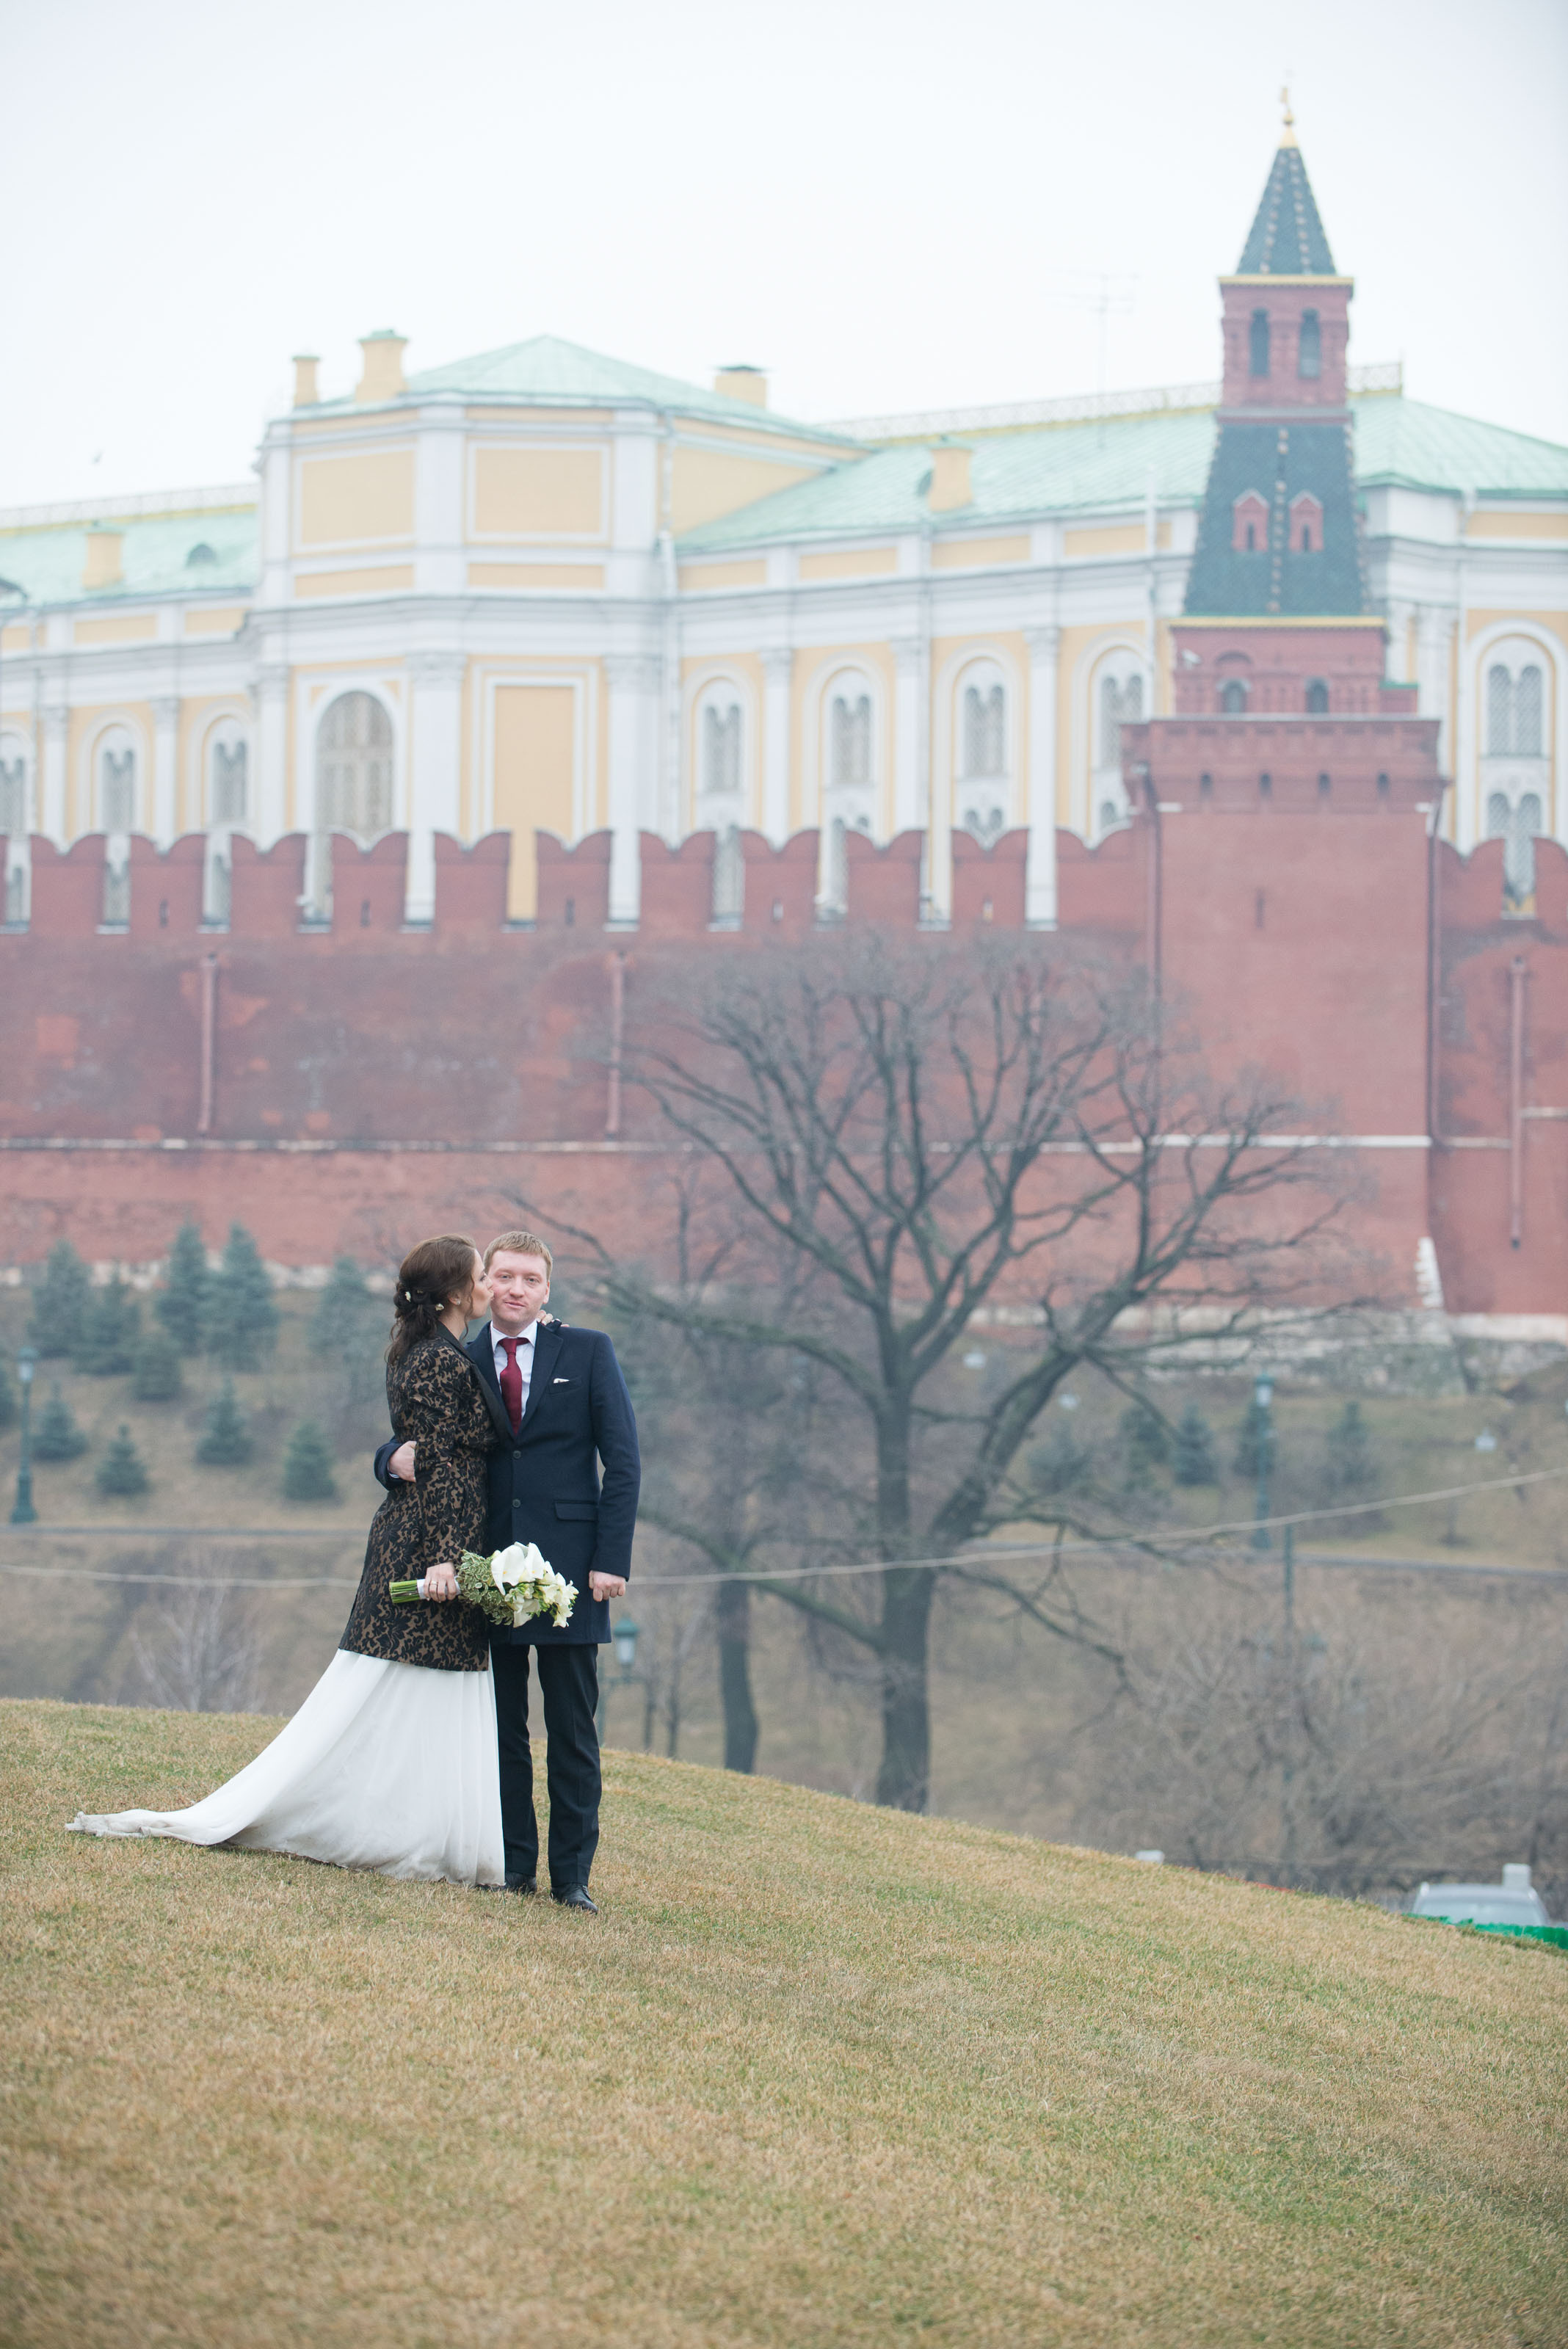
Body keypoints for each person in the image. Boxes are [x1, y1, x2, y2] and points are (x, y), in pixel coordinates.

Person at [70, 1235, 507, 1887]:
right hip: (427, 1541)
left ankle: (419, 1828)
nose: (490, 1287)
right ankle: (402, 1833)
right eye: (481, 1276)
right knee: (405, 1682)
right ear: (452, 1293)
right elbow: (441, 1461)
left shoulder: (428, 1351)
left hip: (424, 1532)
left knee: (418, 1685)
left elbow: (432, 1452)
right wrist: (446, 1558)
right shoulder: (441, 1362)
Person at [374, 1227, 639, 1913]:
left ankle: (572, 1878)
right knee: (503, 1729)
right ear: (483, 1283)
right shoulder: (458, 1360)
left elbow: (624, 1461)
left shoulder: (586, 1350)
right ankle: (517, 1866)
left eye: (530, 1279)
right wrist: (387, 1460)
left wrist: (611, 1560)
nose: (516, 1289)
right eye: (504, 1277)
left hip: (573, 1574)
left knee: (574, 1731)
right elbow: (424, 1434)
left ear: (547, 1289)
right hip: (485, 1569)